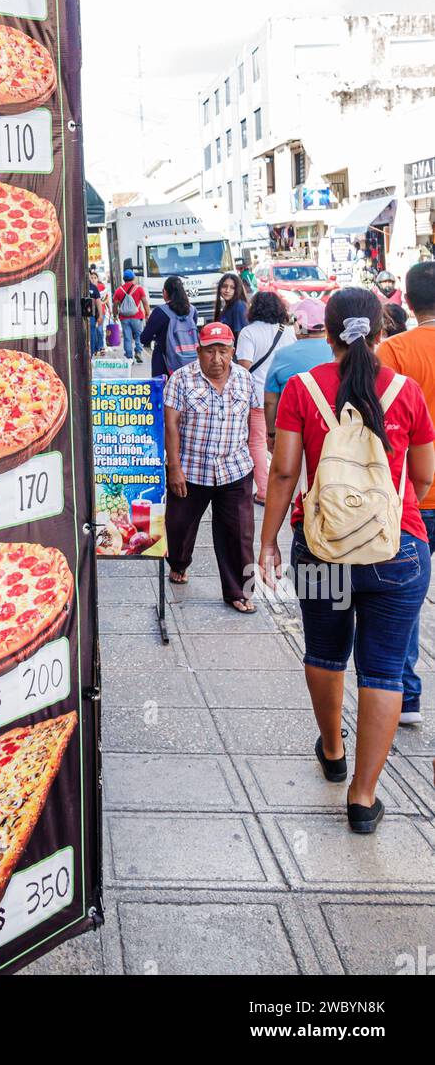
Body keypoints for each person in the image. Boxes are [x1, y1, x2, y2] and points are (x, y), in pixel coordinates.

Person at [259, 289, 434, 833]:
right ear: (382, 331)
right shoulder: (405, 392)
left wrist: (265, 544)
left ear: (326, 333)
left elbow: (285, 472)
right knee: (382, 669)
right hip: (397, 547)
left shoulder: (301, 390)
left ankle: (333, 750)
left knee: (325, 651)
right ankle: (362, 798)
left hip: (320, 546)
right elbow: (425, 478)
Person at [164, 321, 258, 612]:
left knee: (239, 533)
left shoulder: (245, 379)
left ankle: (239, 592)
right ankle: (179, 563)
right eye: (210, 352)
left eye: (223, 351)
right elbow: (171, 424)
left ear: (232, 351)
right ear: (198, 350)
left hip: (235, 468)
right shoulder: (181, 379)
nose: (217, 359)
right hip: (192, 469)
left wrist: (258, 467)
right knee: (179, 525)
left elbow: (254, 426)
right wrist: (174, 467)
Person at [377, 260, 435, 726]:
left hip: (412, 496)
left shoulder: (393, 351)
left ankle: (408, 695)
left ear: (407, 301)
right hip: (415, 494)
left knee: (405, 596)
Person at [236, 292, 296, 504]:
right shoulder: (288, 332)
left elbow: (244, 367)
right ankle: (291, 489)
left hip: (259, 397)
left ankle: (264, 490)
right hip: (286, 395)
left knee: (257, 443)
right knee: (287, 442)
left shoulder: (248, 333)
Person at [263, 297, 333, 443]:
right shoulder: (337, 352)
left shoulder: (282, 355)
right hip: (332, 433)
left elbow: (270, 401)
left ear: (298, 324)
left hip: (292, 434)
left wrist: (271, 434)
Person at [113, 265, 148, 362]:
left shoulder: (119, 290)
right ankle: (138, 352)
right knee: (138, 335)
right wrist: (148, 314)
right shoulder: (139, 289)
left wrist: (115, 315)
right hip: (137, 317)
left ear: (124, 279)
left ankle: (129, 357)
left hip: (124, 318)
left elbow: (115, 305)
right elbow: (145, 302)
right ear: (133, 278)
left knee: (127, 337)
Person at [213, 273, 249, 344]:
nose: (227, 290)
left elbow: (242, 337)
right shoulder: (228, 306)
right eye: (224, 286)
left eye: (232, 287)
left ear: (238, 289)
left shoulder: (239, 306)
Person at [88, 274, 105, 356]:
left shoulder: (93, 288)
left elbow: (98, 302)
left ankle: (92, 353)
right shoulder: (76, 285)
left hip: (91, 316)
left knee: (92, 334)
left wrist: (101, 315)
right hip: (78, 317)